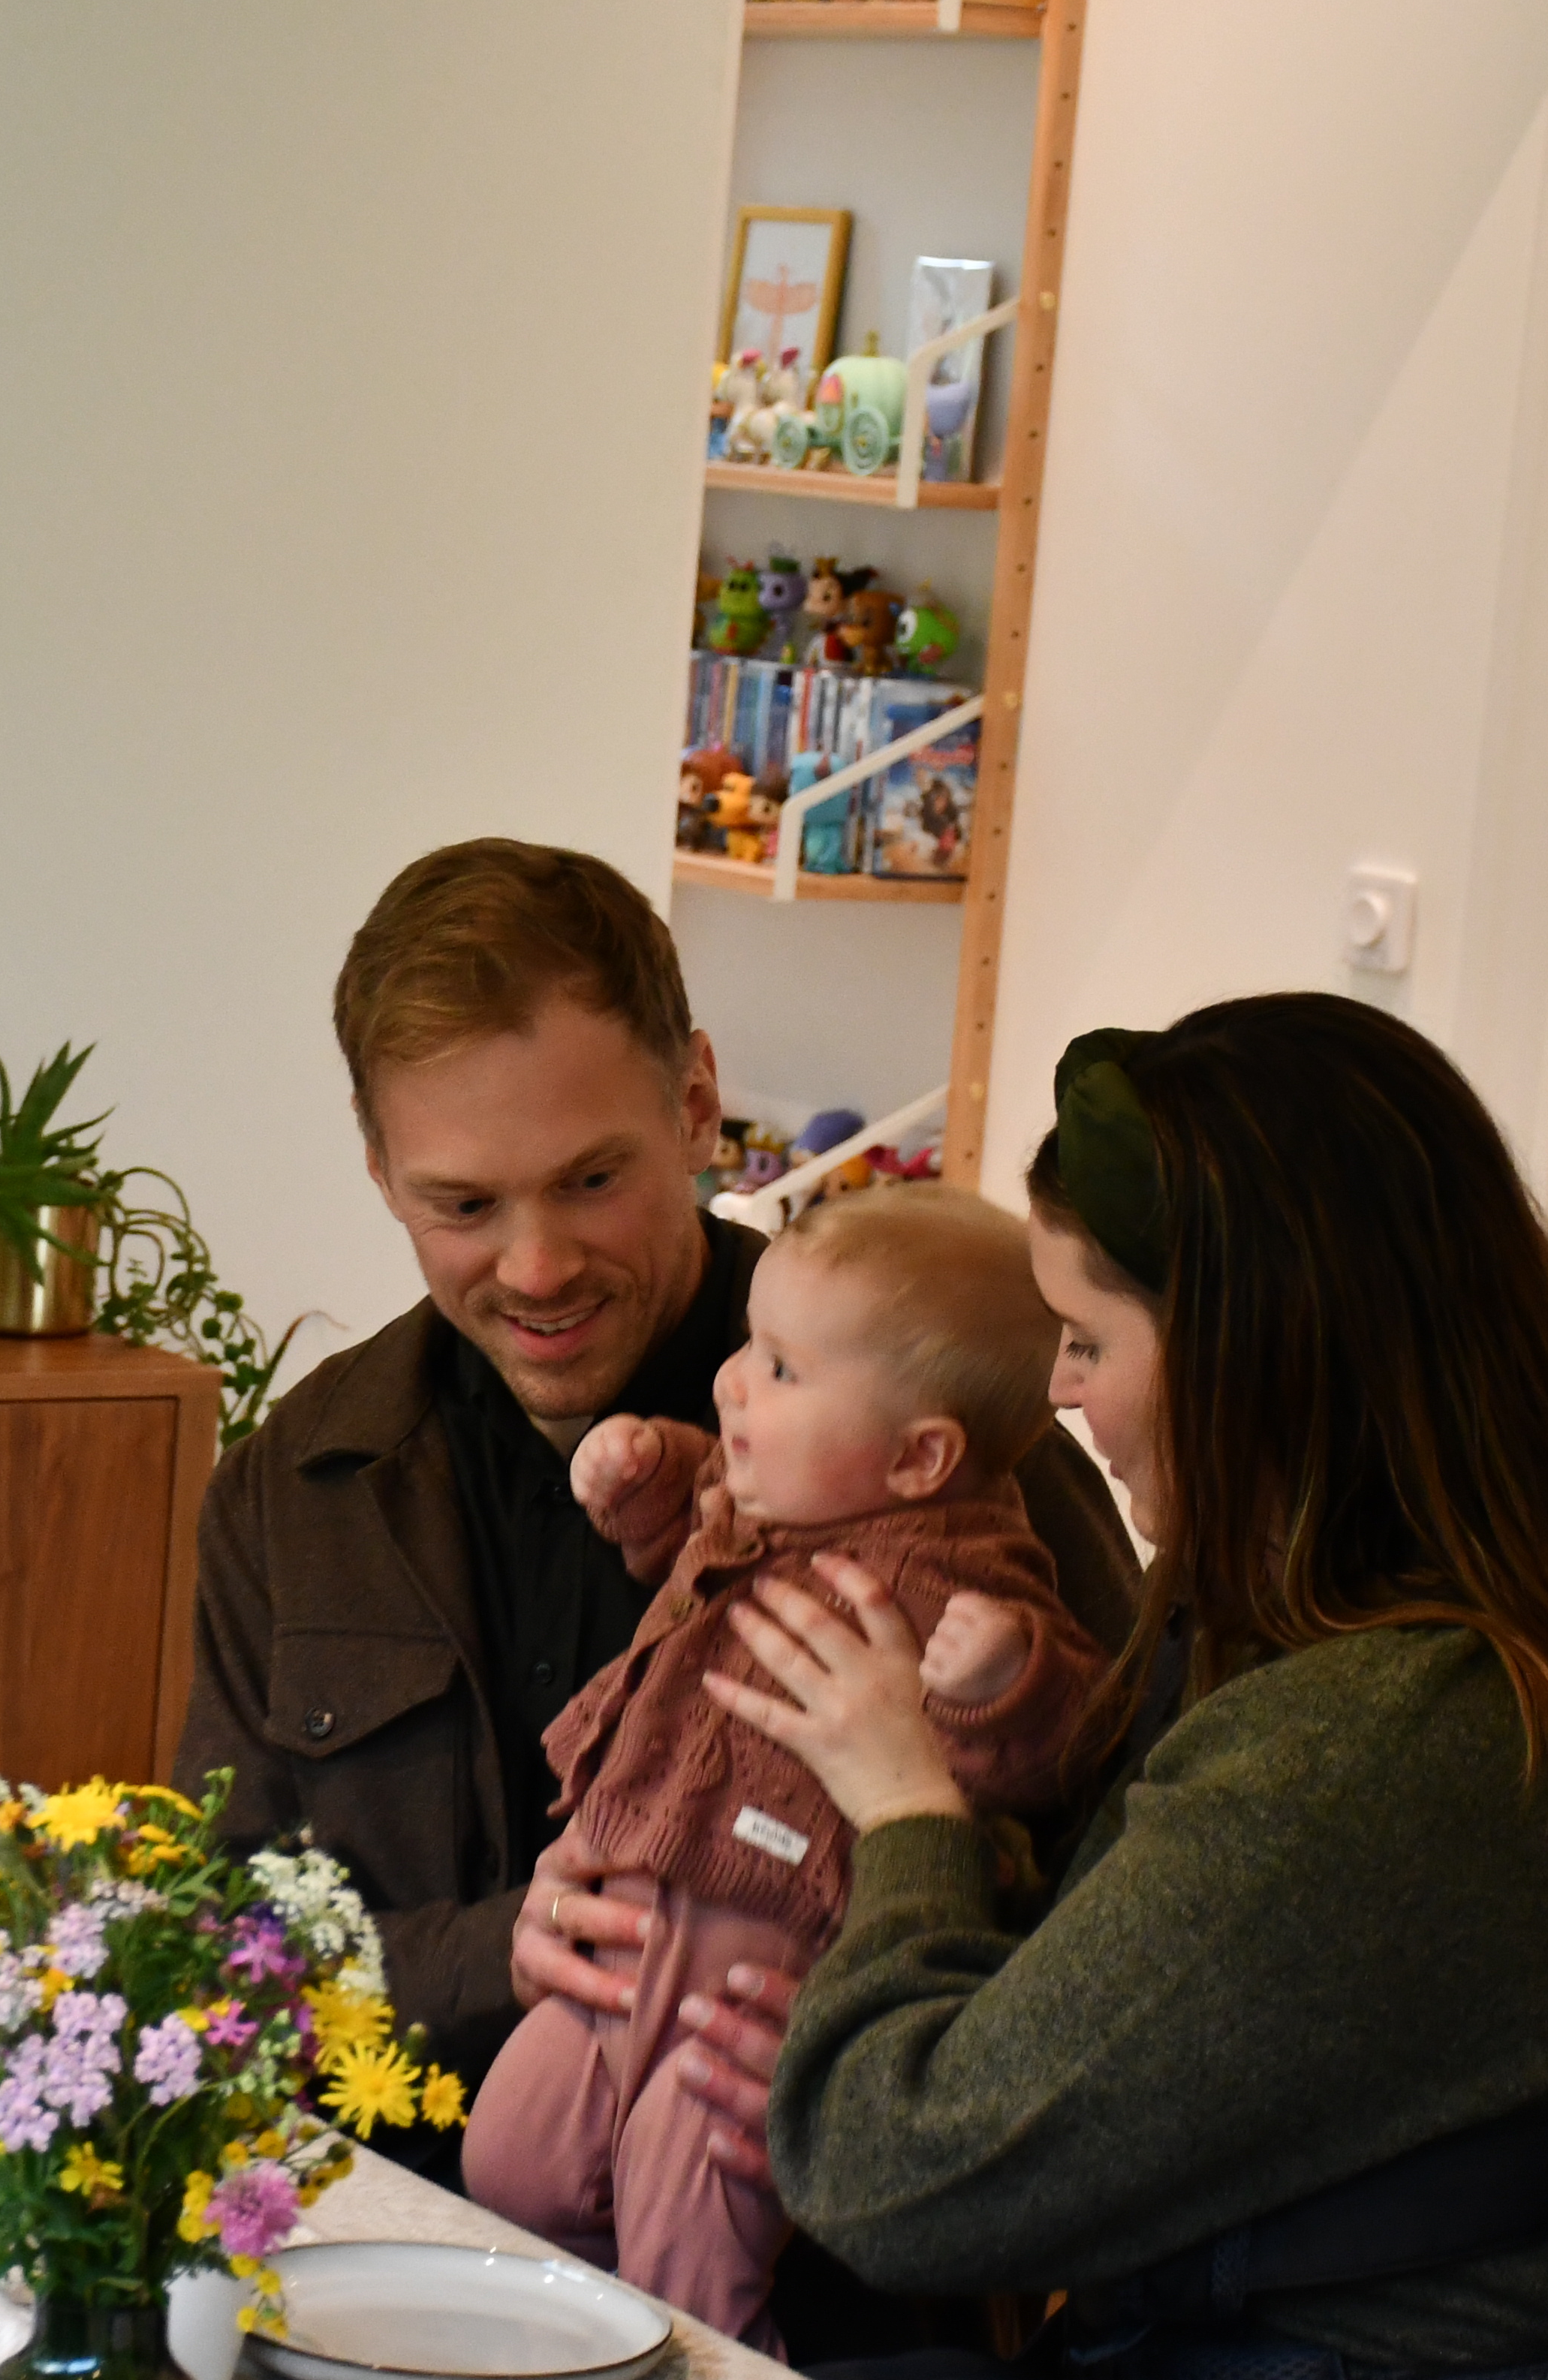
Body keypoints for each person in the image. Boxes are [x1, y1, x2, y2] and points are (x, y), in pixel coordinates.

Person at [647, 1001, 1548, 2380]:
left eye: (1089, 1339)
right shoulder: (1536, 1632)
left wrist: (908, 1808)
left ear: (1258, 1351)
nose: (1057, 1399)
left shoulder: (1379, 1742)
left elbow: (900, 2169)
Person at [170, 838, 1141, 2101]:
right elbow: (212, 1950)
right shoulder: (296, 1487)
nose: (535, 1268)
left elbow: (1134, 1896)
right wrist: (484, 1957)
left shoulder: (936, 1425)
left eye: (591, 1181)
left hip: (800, 2255)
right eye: (463, 1207)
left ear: (694, 1104)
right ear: (380, 1172)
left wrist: (870, 2025)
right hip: (388, 2229)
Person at [462, 1185, 1104, 2348]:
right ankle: (563, 2355)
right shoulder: (773, 1505)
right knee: (510, 2156)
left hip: (767, 1960)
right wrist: (652, 1475)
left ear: (919, 1458)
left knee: (690, 2217)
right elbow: (698, 1518)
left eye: (783, 1371)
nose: (733, 1382)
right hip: (630, 1906)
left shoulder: (967, 1573)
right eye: (751, 1348)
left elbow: (1063, 1740)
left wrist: (1001, 1672)